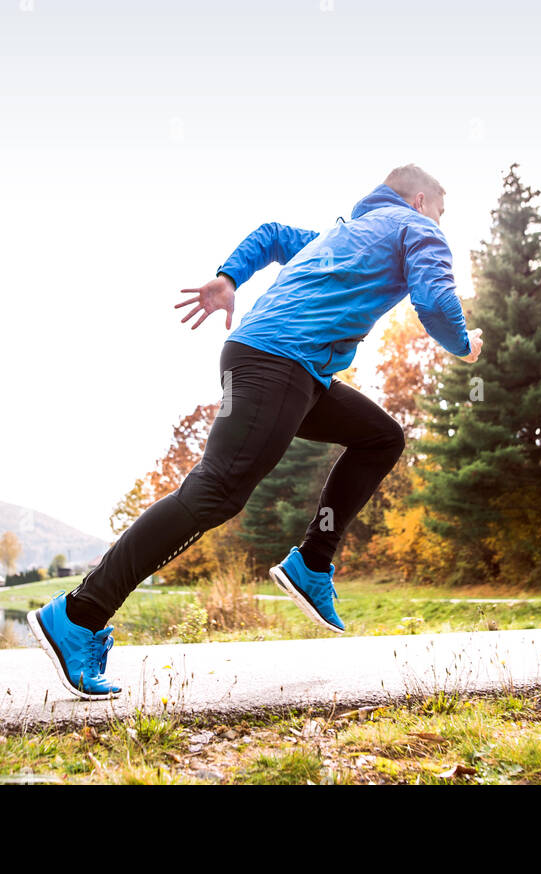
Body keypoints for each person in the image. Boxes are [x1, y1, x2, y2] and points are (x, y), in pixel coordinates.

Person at [28, 164, 484, 699]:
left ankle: (313, 564)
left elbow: (270, 235)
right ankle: (78, 615)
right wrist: (463, 343)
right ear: (421, 200)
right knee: (215, 491)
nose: (441, 223)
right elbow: (434, 301)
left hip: (279, 364)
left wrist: (228, 276)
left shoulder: (337, 238)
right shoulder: (418, 228)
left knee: (380, 436)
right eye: (441, 212)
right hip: (279, 364)